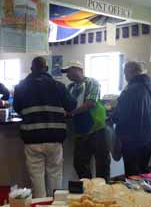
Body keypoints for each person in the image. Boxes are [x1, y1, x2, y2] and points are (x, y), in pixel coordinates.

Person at [13, 57, 76, 198]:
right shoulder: (58, 86)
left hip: (32, 139)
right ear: (46, 69)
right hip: (54, 138)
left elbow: (17, 108)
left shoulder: (21, 86)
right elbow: (72, 105)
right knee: (55, 175)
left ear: (31, 69)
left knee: (36, 177)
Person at [62, 61, 110, 181]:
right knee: (79, 163)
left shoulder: (92, 82)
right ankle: (88, 187)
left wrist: (71, 112)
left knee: (102, 163)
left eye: (68, 71)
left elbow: (90, 103)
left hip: (96, 127)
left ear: (77, 69)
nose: (67, 75)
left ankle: (103, 190)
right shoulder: (70, 87)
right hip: (80, 130)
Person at [112, 61, 151, 176]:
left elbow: (121, 114)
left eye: (125, 73)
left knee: (132, 174)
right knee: (143, 170)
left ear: (129, 72)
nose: (125, 77)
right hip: (149, 137)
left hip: (132, 139)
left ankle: (135, 194)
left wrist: (112, 118)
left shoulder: (130, 90)